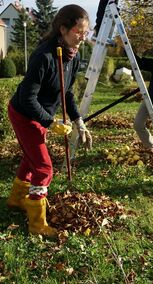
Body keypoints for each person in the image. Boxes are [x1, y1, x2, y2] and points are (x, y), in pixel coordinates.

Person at [7, 4, 92, 236]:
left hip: (40, 114)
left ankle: (16, 199)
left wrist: (78, 121)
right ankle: (37, 223)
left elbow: (67, 93)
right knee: (44, 167)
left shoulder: (72, 57)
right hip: (24, 113)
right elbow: (27, 97)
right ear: (63, 29)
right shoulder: (44, 56)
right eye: (79, 31)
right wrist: (50, 121)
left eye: (87, 32)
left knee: (31, 157)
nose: (83, 37)